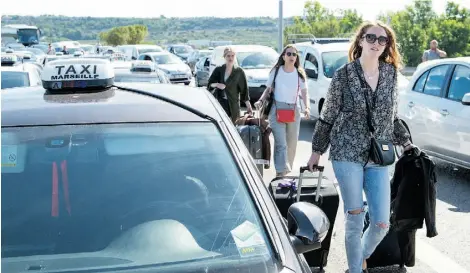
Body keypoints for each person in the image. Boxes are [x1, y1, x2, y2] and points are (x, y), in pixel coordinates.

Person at [307, 21, 415, 273]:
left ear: (387, 45)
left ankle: (360, 256)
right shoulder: (343, 75)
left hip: (379, 155)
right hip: (347, 153)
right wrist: (316, 150)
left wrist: (406, 142)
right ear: (360, 41)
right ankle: (355, 269)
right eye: (371, 38)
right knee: (355, 219)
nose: (376, 43)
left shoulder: (390, 74)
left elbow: (393, 117)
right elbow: (328, 116)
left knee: (381, 223)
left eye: (382, 40)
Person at [255, 45, 310, 178]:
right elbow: (268, 89)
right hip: (277, 109)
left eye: (294, 54)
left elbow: (304, 92)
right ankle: (280, 172)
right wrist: (261, 101)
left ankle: (286, 168)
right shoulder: (276, 71)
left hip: (293, 110)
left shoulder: (299, 74)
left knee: (291, 142)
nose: (292, 56)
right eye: (289, 54)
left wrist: (306, 107)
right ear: (284, 56)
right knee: (281, 143)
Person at [207, 47, 253, 123]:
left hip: (234, 104)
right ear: (224, 57)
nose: (230, 58)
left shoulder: (239, 71)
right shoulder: (219, 70)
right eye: (228, 56)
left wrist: (249, 106)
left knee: (235, 125)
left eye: (232, 56)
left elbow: (244, 90)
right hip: (221, 103)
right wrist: (217, 84)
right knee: (222, 124)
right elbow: (210, 84)